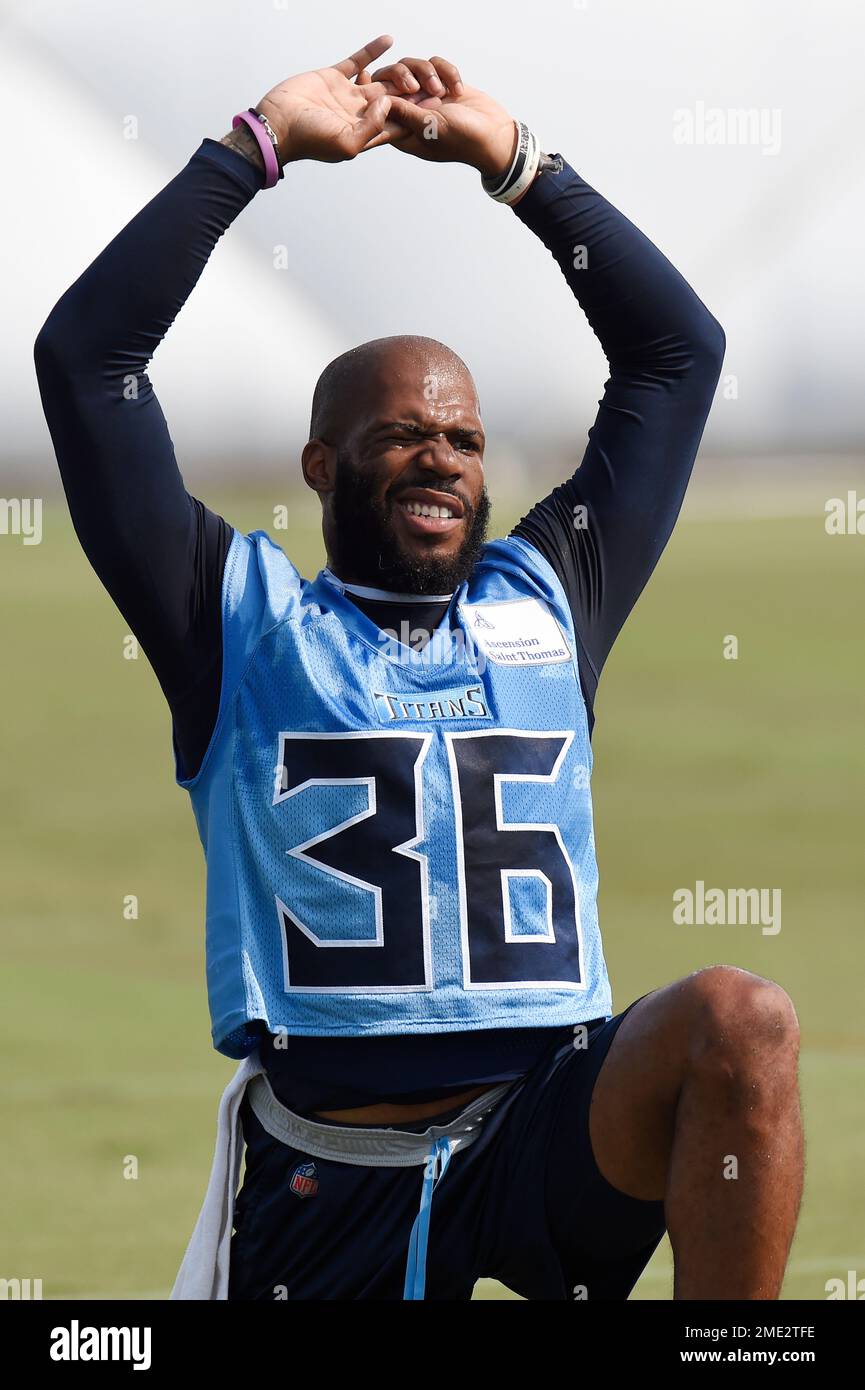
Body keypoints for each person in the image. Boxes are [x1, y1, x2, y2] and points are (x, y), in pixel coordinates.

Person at [34, 35, 803, 1301]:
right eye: (398, 435)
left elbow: (678, 356)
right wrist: (256, 149)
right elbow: (87, 362)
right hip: (327, 1169)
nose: (439, 457)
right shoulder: (235, 617)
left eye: (460, 437)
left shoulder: (547, 597)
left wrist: (516, 165)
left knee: (743, 1021)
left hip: (547, 1131)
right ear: (321, 468)